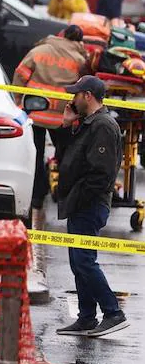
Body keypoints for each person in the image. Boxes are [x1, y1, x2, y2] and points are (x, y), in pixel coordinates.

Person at [54, 76, 128, 338]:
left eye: (75, 94)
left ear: (87, 96)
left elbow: (102, 173)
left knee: (85, 261)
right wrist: (65, 125)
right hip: (80, 202)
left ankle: (113, 312)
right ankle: (86, 317)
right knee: (78, 261)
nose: (71, 99)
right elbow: (66, 157)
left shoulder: (103, 126)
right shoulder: (86, 124)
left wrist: (80, 197)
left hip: (89, 204)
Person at [14, 25, 90, 216]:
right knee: (66, 156)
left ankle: (38, 195)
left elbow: (20, 74)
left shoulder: (39, 50)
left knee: (35, 156)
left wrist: (17, 99)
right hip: (63, 116)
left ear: (61, 35)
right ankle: (62, 194)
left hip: (36, 112)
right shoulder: (80, 59)